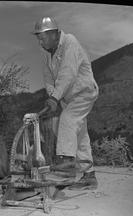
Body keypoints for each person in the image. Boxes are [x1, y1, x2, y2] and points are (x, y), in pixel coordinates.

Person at [32, 17, 99, 190]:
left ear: (55, 33)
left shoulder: (70, 42)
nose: (40, 40)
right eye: (38, 37)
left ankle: (66, 170)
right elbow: (48, 79)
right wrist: (52, 98)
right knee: (79, 134)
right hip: (67, 98)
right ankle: (89, 176)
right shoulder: (47, 54)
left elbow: (68, 73)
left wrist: (55, 98)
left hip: (83, 92)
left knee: (67, 121)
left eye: (43, 36)